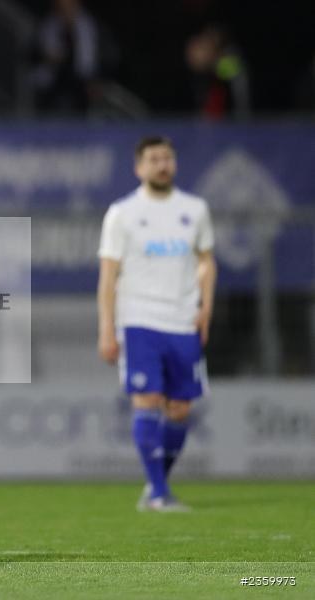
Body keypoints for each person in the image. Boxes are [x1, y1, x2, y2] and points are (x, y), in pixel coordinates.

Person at [97, 136, 217, 512]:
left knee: (180, 409)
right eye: (153, 159)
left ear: (174, 164)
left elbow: (207, 261)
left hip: (183, 321)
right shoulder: (122, 213)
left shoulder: (195, 209)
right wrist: (106, 328)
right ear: (139, 167)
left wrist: (206, 308)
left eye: (166, 158)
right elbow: (108, 276)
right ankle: (160, 493)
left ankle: (156, 484)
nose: (161, 165)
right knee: (147, 402)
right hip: (139, 321)